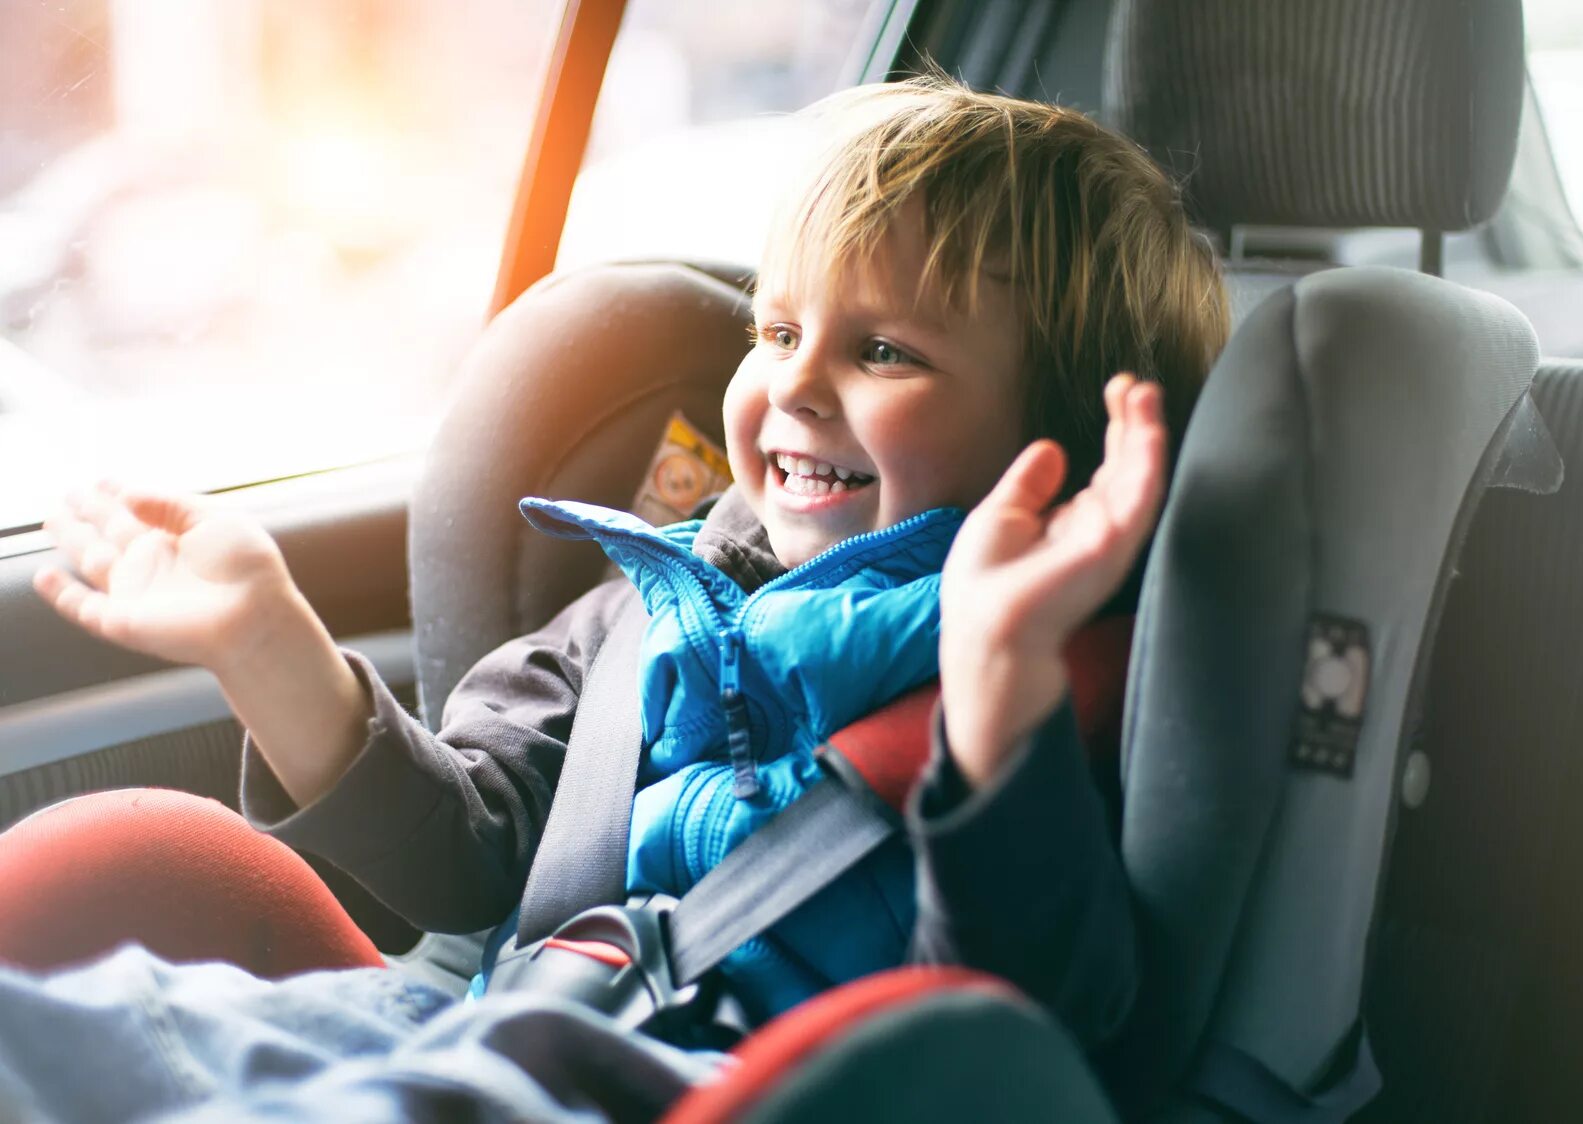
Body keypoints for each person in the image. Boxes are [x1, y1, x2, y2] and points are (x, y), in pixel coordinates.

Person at [13, 76, 1228, 1121]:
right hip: (475, 1032)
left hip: (684, 1085)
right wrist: (265, 639)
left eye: (882, 351)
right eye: (778, 326)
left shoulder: (1056, 676)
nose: (792, 383)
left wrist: (997, 692)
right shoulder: (650, 595)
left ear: (1055, 440)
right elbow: (469, 853)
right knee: (122, 1021)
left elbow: (1032, 1019)